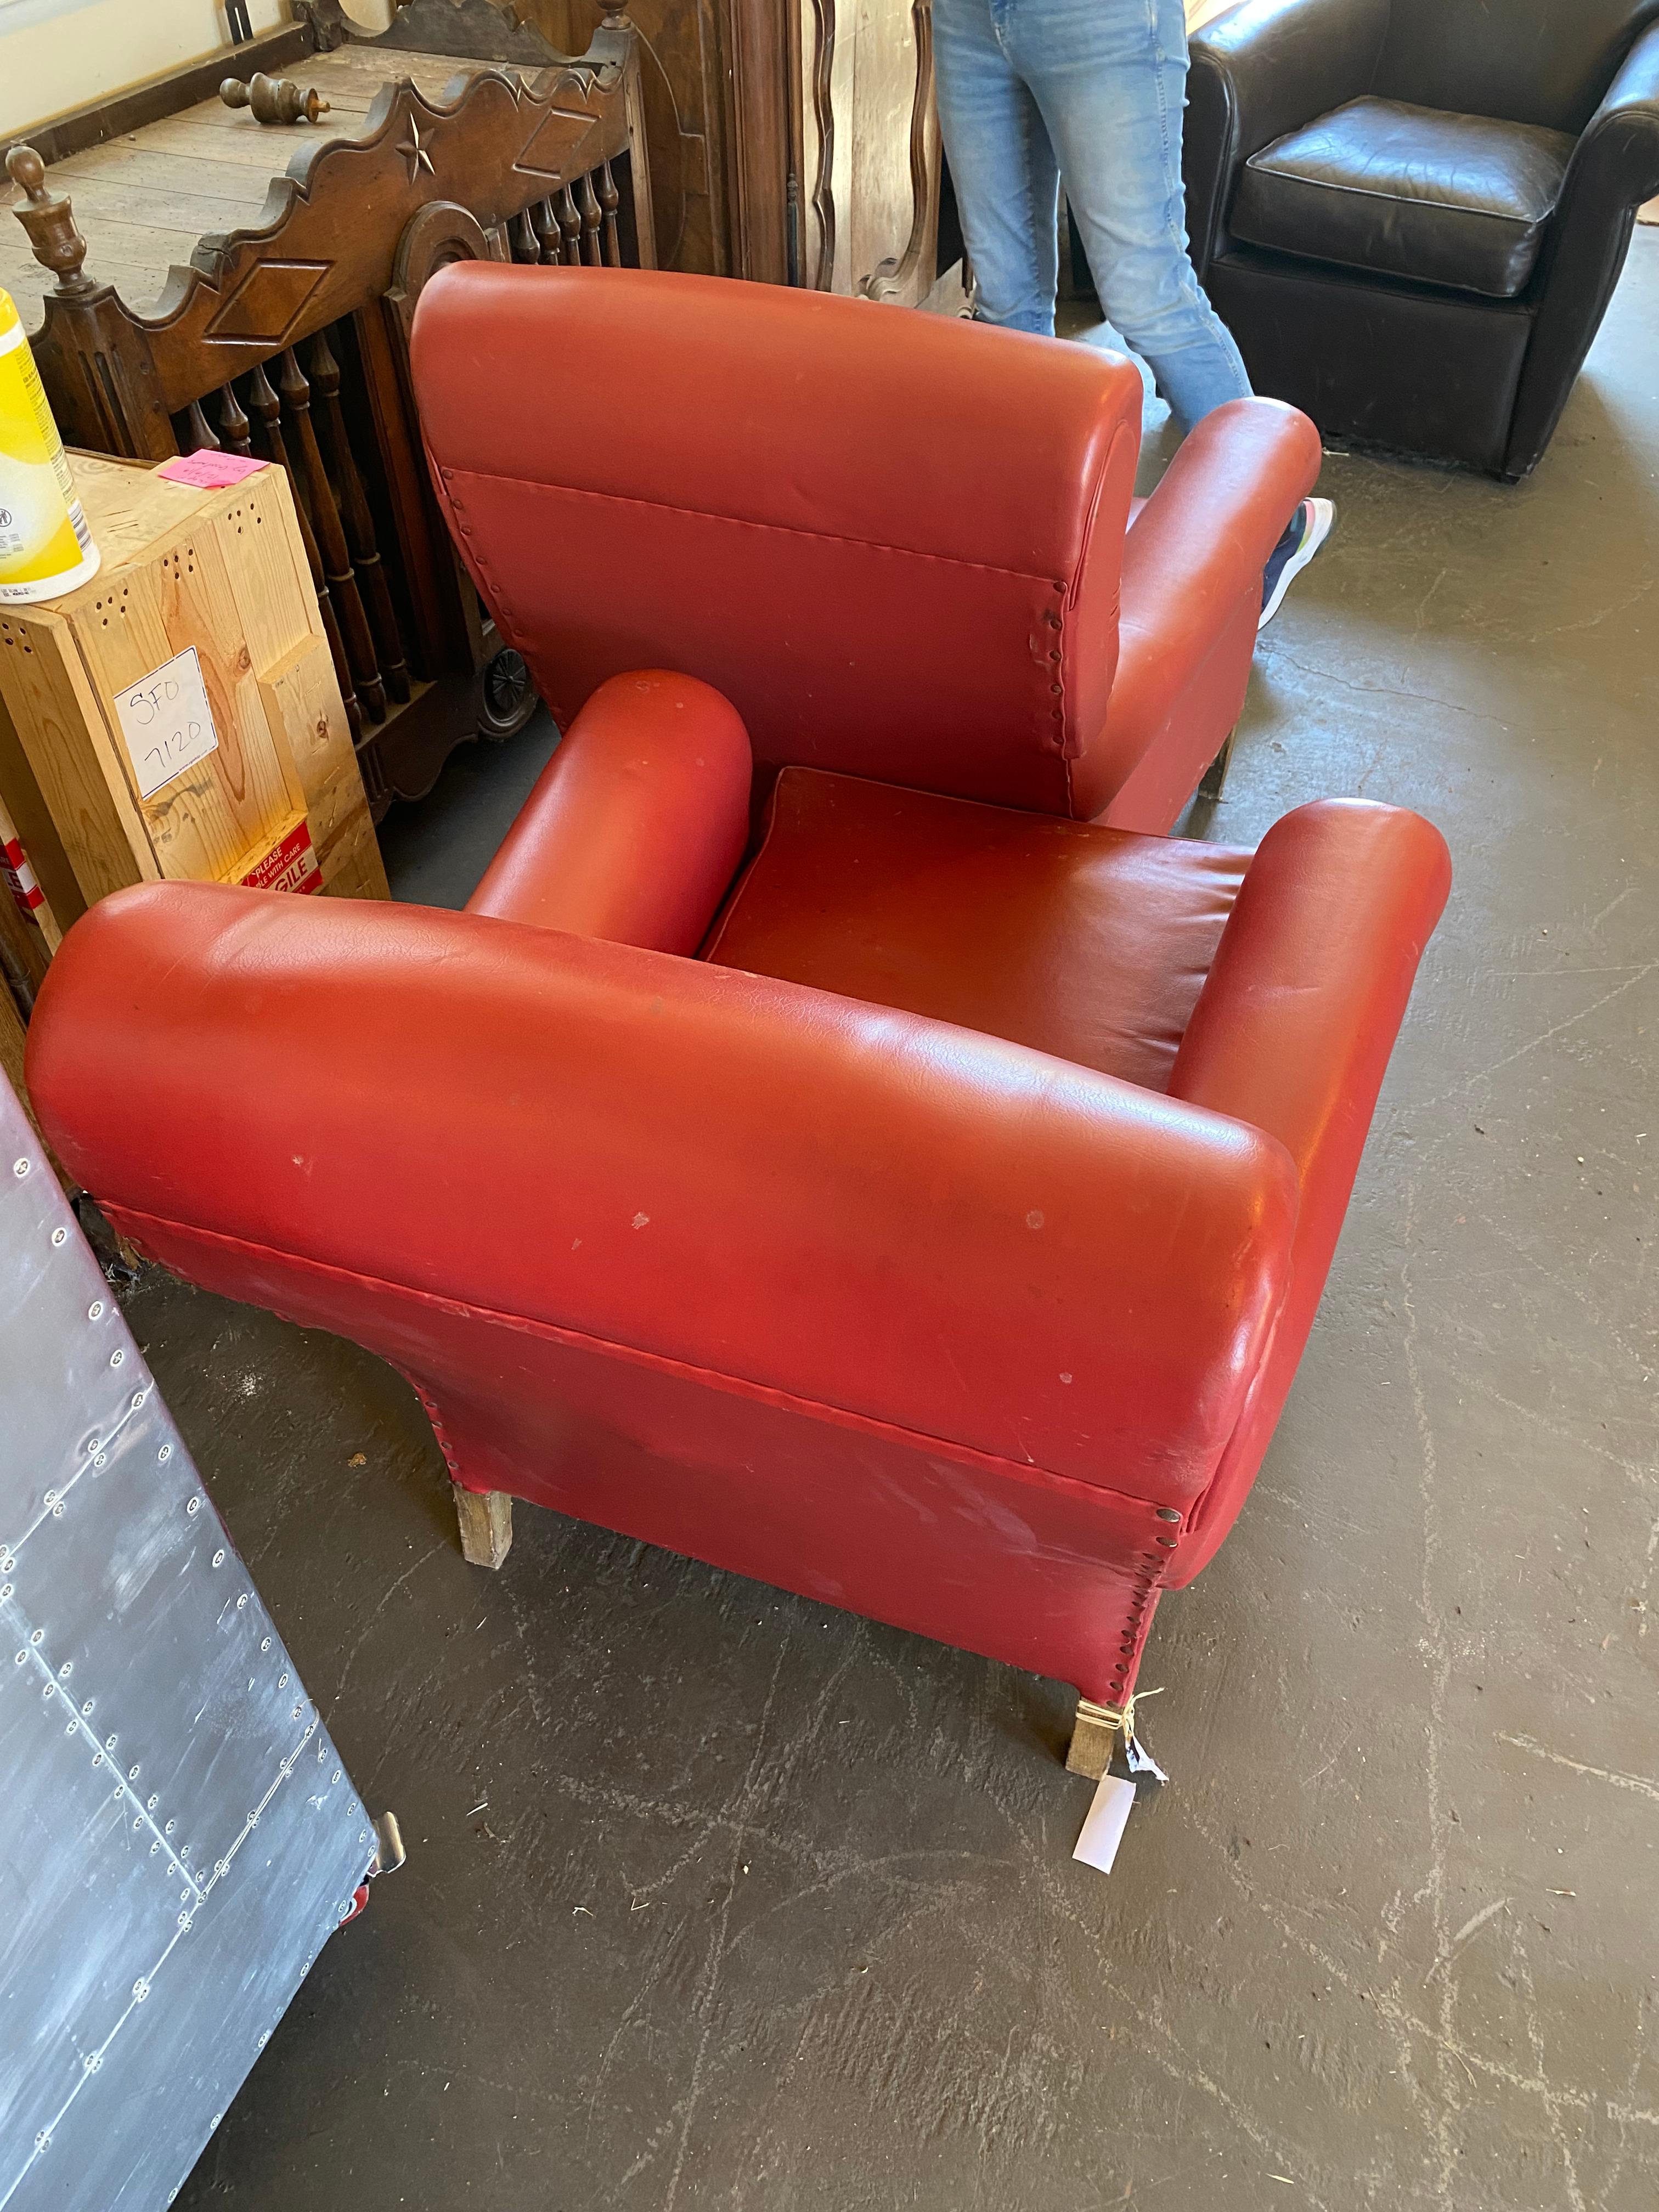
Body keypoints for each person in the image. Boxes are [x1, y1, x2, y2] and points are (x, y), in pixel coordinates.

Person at [933, 0, 1333, 629]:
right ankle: (1035, 544)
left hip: (1100, 18)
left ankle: (1279, 523)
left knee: (1148, 297)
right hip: (969, 17)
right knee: (1006, 300)